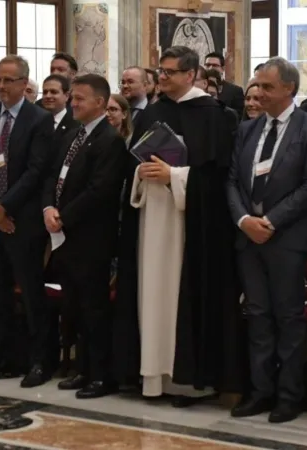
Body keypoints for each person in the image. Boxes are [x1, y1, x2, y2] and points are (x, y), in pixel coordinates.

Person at [113, 46, 243, 406]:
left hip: (188, 224)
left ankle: (188, 381)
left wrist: (175, 175)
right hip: (151, 215)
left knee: (179, 294)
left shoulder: (214, 115)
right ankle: (152, 375)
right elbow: (132, 163)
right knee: (149, 292)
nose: (164, 77)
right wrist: (140, 173)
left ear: (190, 75)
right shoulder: (152, 113)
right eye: (161, 71)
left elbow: (218, 177)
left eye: (170, 72)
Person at [226, 57, 307, 423]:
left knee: (288, 318)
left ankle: (289, 395)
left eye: (267, 87)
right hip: (249, 238)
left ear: (289, 88)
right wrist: (243, 220)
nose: (259, 93)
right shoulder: (248, 129)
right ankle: (260, 390)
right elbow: (233, 181)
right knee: (257, 316)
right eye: (257, 86)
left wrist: (269, 221)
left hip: (287, 237)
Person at [0, 55, 54, 386]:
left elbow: (36, 171)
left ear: (24, 83)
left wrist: (5, 207)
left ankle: (40, 360)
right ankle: (1, 355)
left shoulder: (39, 120)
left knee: (31, 294)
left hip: (23, 222)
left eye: (8, 81)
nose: (1, 87)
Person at [42, 74, 127, 399]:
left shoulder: (110, 140)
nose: (73, 103)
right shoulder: (71, 135)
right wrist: (48, 207)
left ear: (100, 103)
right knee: (73, 306)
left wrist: (64, 216)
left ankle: (100, 375)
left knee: (94, 309)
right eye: (73, 98)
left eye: (79, 98)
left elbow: (100, 190)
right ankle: (82, 368)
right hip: (63, 236)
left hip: (91, 238)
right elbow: (53, 174)